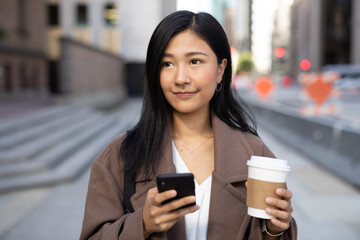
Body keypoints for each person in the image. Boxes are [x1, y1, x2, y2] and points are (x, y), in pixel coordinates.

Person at [80, 10, 297, 240]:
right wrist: (142, 223)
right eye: (167, 63)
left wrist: (274, 230)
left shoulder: (257, 155)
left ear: (221, 70)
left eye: (195, 61)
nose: (181, 78)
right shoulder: (119, 157)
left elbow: (274, 230)